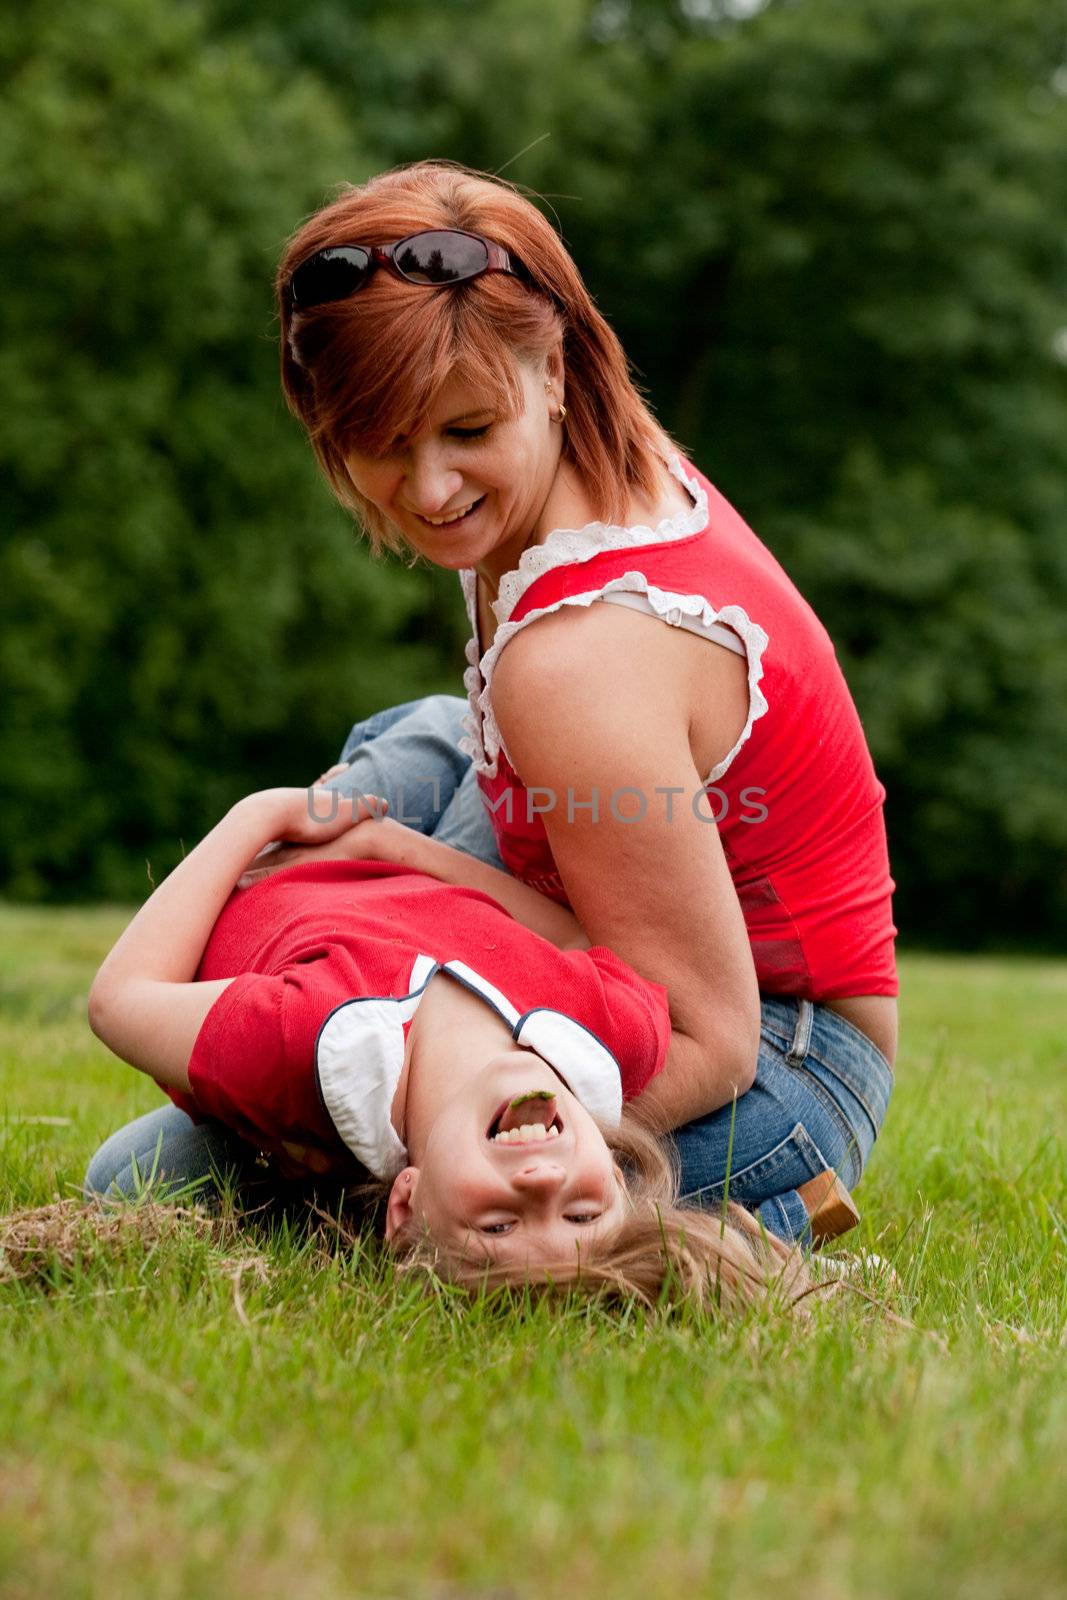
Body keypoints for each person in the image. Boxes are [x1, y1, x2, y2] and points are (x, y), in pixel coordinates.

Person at [262, 159, 897, 1244]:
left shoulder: (576, 658)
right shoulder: (579, 462)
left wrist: (421, 1138)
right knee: (401, 764)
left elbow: (708, 1036)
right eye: (382, 442)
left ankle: (759, 1214)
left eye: (465, 432)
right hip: (617, 889)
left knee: (209, 1174)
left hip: (782, 1070)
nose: (428, 491)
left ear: (550, 366)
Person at [84, 784, 810, 1314]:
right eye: (583, 1215)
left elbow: (120, 1000)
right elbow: (575, 937)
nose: (539, 1185)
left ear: (404, 1205)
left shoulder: (312, 1045)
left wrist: (257, 817)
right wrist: (387, 845)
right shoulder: (609, 1032)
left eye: (498, 1224)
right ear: (618, 1180)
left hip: (287, 860)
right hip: (424, 854)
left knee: (122, 1178)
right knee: (457, 742)